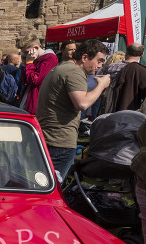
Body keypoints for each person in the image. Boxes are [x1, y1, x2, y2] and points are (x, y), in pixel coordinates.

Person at [36, 39, 110, 181]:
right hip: (59, 141)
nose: (100, 66)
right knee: (51, 188)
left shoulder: (62, 68)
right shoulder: (74, 72)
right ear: (84, 57)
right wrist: (101, 86)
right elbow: (82, 103)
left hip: (49, 137)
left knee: (43, 184)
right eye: (99, 61)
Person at [19, 33, 59, 115]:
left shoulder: (50, 58)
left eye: (26, 52)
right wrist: (25, 63)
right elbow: (24, 81)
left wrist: (29, 62)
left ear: (36, 48)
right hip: (28, 101)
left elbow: (34, 80)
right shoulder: (34, 59)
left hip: (39, 107)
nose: (25, 55)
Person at [114, 44, 146, 111]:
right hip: (129, 110)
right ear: (142, 54)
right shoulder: (141, 70)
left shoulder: (111, 67)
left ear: (126, 52)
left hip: (109, 106)